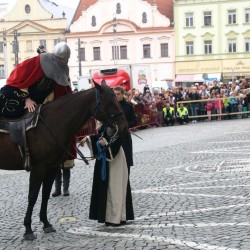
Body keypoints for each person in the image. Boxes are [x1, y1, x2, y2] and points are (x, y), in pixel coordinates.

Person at [80, 122, 129, 226]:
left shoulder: (116, 120)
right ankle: (109, 217)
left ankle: (118, 217)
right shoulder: (105, 121)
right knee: (108, 189)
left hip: (115, 159)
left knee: (115, 187)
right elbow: (100, 136)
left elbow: (119, 136)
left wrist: (106, 143)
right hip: (105, 159)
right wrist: (88, 138)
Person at [113, 86, 135, 222]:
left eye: (117, 94)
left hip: (125, 138)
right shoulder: (111, 105)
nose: (116, 96)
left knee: (126, 163)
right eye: (114, 94)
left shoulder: (128, 106)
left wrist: (127, 125)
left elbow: (134, 120)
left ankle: (125, 187)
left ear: (122, 94)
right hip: (114, 138)